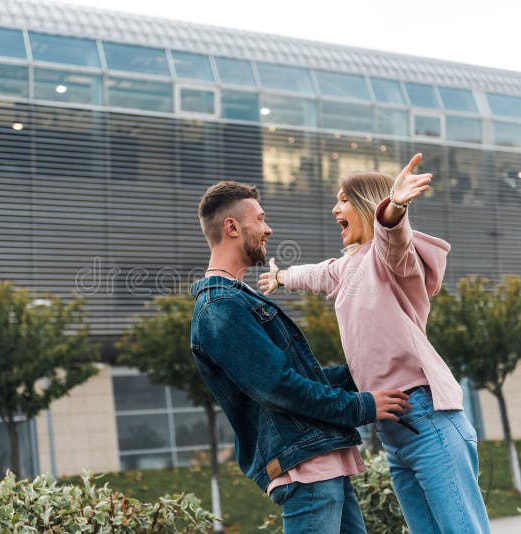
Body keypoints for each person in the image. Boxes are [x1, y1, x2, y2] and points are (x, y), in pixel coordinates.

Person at [259, 154, 491, 534]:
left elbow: (393, 237)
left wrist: (395, 206)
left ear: (367, 205)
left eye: (344, 199)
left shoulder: (391, 258)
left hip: (426, 414)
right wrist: (281, 276)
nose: (335, 208)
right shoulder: (348, 266)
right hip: (392, 431)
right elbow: (318, 273)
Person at [190, 181, 412, 533]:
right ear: (231, 227)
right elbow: (279, 387)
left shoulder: (236, 299)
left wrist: (375, 368)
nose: (268, 229)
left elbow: (304, 380)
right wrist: (362, 406)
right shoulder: (221, 307)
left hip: (323, 461)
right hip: (306, 468)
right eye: (260, 220)